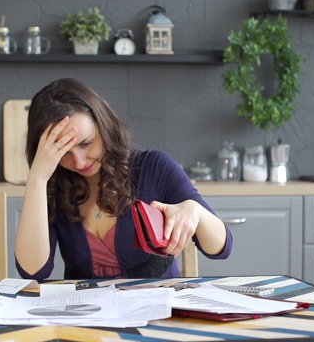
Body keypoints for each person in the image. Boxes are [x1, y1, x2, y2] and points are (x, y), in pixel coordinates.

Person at [15, 78, 232, 280]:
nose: (80, 162)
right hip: (85, 317)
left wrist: (195, 211)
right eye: (63, 152)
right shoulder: (52, 185)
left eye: (86, 143)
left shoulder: (153, 167)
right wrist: (37, 179)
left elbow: (221, 248)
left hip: (158, 312)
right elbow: (33, 271)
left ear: (104, 126)